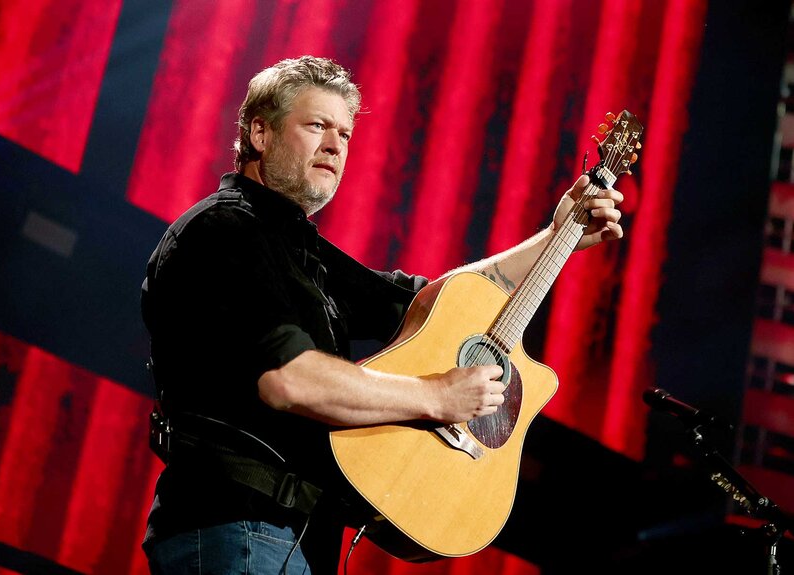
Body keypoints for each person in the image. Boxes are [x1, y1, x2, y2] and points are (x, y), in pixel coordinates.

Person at [140, 55, 624, 575]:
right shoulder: (225, 232)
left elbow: (438, 302)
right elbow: (290, 379)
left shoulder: (304, 253)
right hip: (234, 526)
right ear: (260, 132)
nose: (335, 146)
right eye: (317, 126)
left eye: (345, 134)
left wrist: (557, 238)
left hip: (293, 537)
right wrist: (438, 396)